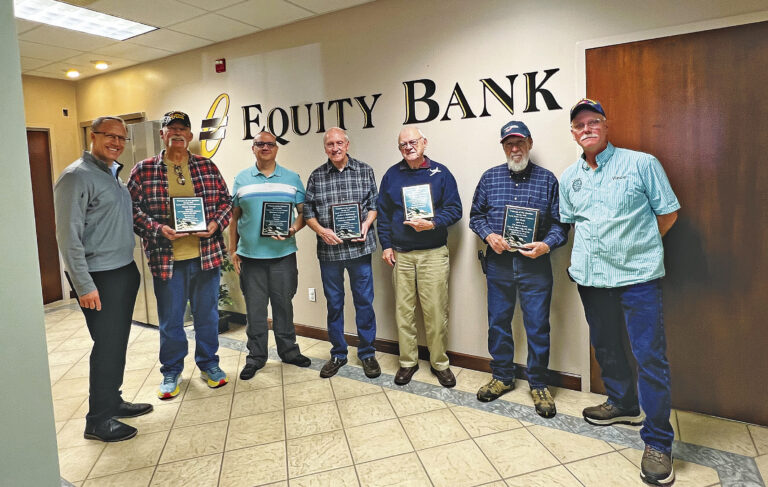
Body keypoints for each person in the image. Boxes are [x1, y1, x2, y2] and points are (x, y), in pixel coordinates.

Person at [559, 98, 680, 486]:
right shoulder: (569, 177)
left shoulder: (642, 164)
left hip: (637, 279)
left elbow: (668, 213)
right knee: (606, 345)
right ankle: (623, 403)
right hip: (591, 279)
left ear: (606, 126)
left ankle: (658, 441)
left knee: (650, 357)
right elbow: (571, 222)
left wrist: (639, 247)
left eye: (593, 122)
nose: (587, 129)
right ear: (573, 134)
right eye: (579, 125)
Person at [54, 116, 152, 442]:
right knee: (107, 346)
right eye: (109, 136)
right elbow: (68, 237)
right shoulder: (75, 177)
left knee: (117, 342)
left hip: (123, 270)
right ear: (93, 136)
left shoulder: (113, 175)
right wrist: (84, 285)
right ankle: (97, 421)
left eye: (121, 138)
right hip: (99, 277)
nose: (116, 142)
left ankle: (113, 401)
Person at [128, 111, 233, 399]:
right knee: (171, 321)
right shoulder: (143, 170)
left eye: (182, 129)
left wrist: (215, 224)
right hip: (167, 260)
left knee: (207, 317)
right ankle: (171, 370)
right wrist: (158, 229)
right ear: (162, 134)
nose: (177, 133)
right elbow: (132, 210)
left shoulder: (207, 166)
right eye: (170, 128)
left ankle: (209, 364)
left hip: (206, 258)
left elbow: (226, 202)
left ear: (189, 135)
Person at [469, 120, 569, 416]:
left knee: (537, 326)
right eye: (509, 144)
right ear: (503, 147)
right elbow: (475, 216)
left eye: (520, 142)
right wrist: (489, 235)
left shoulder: (548, 180)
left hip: (535, 267)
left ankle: (538, 384)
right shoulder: (489, 178)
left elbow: (561, 224)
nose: (515, 148)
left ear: (530, 143)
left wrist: (546, 245)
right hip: (498, 265)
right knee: (498, 323)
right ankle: (502, 377)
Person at [377, 127, 462, 388]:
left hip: (433, 254)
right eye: (403, 144)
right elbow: (383, 213)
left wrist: (433, 223)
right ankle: (407, 362)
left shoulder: (441, 173)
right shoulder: (392, 175)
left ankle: (440, 363)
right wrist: (386, 245)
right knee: (404, 312)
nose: (408, 147)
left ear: (424, 142)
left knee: (436, 311)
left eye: (413, 142)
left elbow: (455, 209)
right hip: (401, 255)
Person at [230, 131, 312, 380]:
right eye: (260, 144)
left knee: (283, 306)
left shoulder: (292, 178)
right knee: (255, 311)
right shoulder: (241, 179)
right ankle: (256, 357)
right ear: (253, 148)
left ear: (276, 149)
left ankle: (289, 352)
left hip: (282, 255)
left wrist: (292, 229)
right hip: (251, 257)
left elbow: (304, 213)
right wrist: (233, 250)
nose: (265, 147)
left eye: (270, 144)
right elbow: (234, 218)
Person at [303, 127, 381, 379]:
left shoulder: (365, 170)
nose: (335, 148)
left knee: (364, 302)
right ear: (325, 148)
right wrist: (321, 231)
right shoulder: (316, 176)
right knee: (334, 304)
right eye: (330, 144)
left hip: (360, 249)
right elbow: (308, 213)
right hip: (330, 252)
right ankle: (338, 353)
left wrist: (366, 224)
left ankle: (367, 353)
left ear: (347, 145)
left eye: (339, 143)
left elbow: (374, 205)